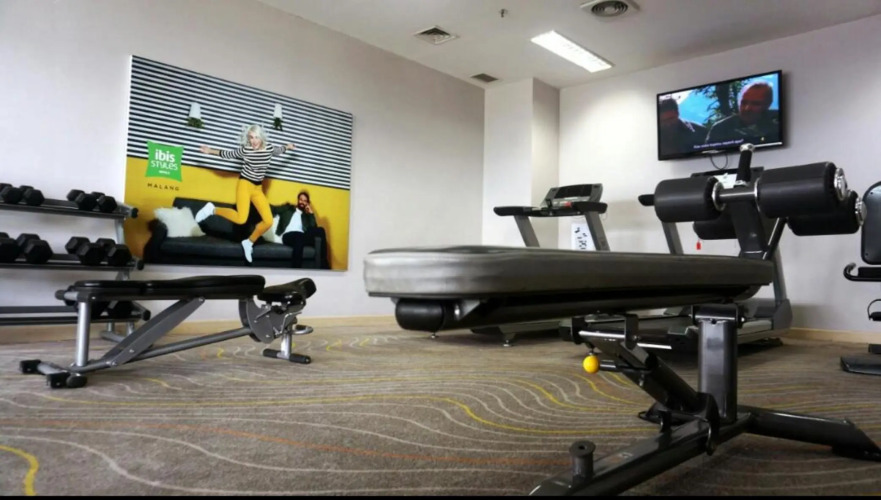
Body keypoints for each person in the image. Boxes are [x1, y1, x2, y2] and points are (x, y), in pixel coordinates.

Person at [195, 124, 295, 263]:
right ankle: (212, 209)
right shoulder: (246, 150)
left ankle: (248, 242)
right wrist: (210, 151)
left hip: (257, 188)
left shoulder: (268, 148)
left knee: (268, 221)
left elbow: (278, 151)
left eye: (256, 137)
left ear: (261, 138)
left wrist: (287, 147)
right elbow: (228, 154)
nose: (253, 141)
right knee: (241, 218)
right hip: (245, 184)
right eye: (251, 138)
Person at [705, 81, 780, 145]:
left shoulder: (779, 121)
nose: (747, 108)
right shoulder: (721, 128)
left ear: (768, 104)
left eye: (755, 104)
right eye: (743, 103)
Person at [275, 190, 330, 269]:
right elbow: (275, 210)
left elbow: (313, 228)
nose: (302, 202)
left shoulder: (306, 216)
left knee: (321, 230)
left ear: (307, 203)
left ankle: (323, 263)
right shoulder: (289, 209)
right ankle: (296, 270)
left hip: (301, 236)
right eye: (301, 199)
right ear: (298, 200)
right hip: (288, 235)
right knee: (299, 237)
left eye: (305, 201)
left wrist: (311, 213)